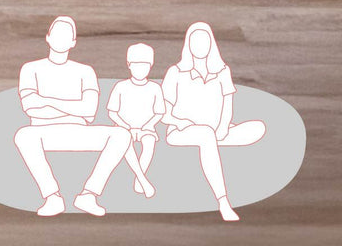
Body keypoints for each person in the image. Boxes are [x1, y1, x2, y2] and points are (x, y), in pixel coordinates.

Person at [14, 16, 131, 217]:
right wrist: (73, 107)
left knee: (121, 135)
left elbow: (89, 111)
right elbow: (30, 106)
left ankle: (89, 194)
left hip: (78, 131)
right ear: (48, 37)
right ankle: (52, 197)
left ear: (73, 42)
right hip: (42, 131)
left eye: (67, 35)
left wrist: (48, 101)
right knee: (23, 136)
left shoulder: (85, 71)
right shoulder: (30, 68)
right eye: (57, 33)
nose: (61, 39)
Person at [161, 21, 266, 221]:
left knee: (257, 128)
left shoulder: (222, 71)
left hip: (216, 130)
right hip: (182, 130)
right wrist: (179, 121)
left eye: (204, 41)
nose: (199, 46)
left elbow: (228, 103)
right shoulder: (176, 72)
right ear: (188, 45)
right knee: (205, 135)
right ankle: (223, 201)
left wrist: (224, 127)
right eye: (195, 42)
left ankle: (215, 142)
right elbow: (163, 112)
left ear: (211, 44)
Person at [106, 42, 165, 198]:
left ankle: (140, 179)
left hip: (147, 128)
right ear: (129, 65)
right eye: (136, 65)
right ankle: (142, 179)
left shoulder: (154, 88)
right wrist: (128, 127)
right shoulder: (121, 86)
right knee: (125, 142)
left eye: (145, 65)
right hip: (124, 128)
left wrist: (146, 126)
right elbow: (112, 112)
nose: (141, 69)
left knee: (149, 143)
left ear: (150, 66)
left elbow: (159, 113)